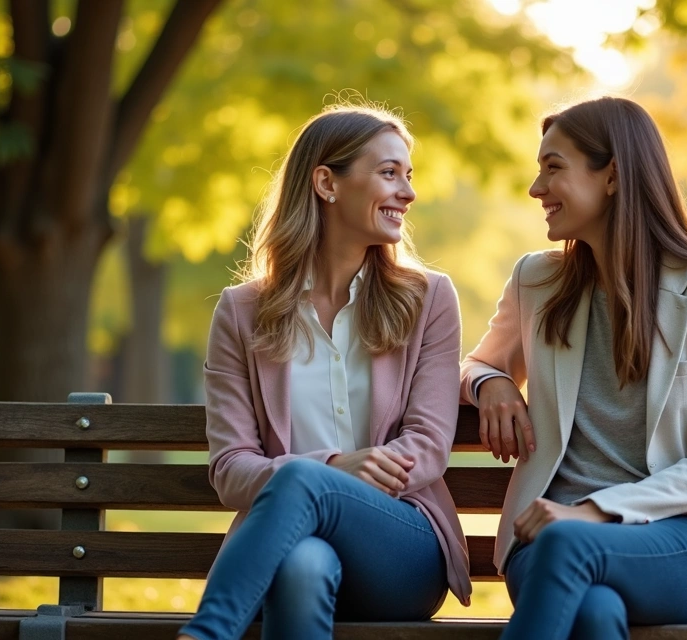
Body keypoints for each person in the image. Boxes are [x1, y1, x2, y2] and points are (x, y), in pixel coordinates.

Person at [460, 96, 687, 640]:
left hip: (681, 540)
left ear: (612, 177)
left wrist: (596, 511)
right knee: (595, 615)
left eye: (553, 168)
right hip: (549, 539)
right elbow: (476, 362)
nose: (536, 189)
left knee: (568, 548)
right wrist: (492, 381)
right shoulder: (537, 280)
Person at [178, 104, 471, 640]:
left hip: (400, 547)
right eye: (389, 173)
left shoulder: (430, 298)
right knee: (303, 565)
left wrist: (331, 479)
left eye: (409, 176)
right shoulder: (242, 311)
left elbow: (428, 445)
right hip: (291, 552)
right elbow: (231, 468)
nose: (408, 192)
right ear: (326, 183)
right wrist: (335, 466)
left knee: (302, 478)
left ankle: (206, 635)